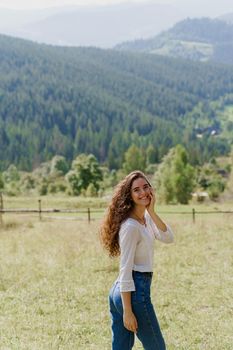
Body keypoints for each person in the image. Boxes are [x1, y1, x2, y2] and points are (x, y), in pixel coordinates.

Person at [100, 170, 174, 350]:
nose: (143, 193)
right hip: (133, 292)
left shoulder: (145, 219)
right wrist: (127, 311)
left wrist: (152, 211)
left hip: (119, 291)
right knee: (157, 347)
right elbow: (125, 269)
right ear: (130, 196)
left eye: (146, 187)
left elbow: (168, 237)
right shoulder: (131, 227)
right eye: (137, 190)